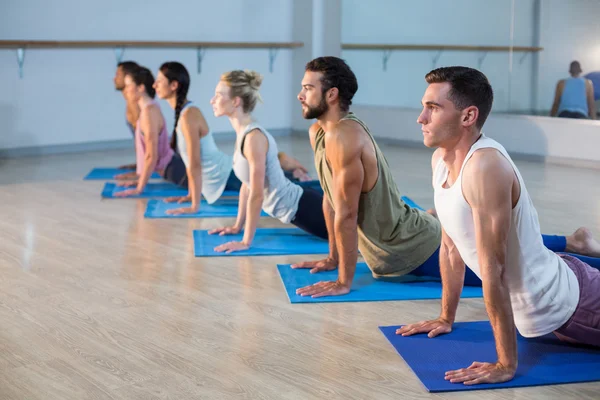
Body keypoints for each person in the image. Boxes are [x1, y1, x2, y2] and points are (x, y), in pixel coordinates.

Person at [292, 57, 600, 299]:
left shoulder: (345, 137)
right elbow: (332, 202)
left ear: (331, 94)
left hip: (413, 249)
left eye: (308, 88)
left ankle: (576, 246)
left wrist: (343, 282)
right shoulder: (319, 131)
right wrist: (333, 258)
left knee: (524, 266)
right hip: (402, 237)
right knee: (492, 244)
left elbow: (347, 214)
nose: (300, 95)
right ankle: (573, 240)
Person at [398, 66, 600, 386]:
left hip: (576, 303)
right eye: (424, 106)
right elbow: (451, 248)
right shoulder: (441, 160)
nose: (421, 118)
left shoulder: (485, 165)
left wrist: (505, 364)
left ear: (468, 116)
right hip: (561, 276)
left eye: (433, 108)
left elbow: (495, 270)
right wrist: (445, 317)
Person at [208, 69, 327, 253]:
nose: (212, 100)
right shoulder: (243, 134)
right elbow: (247, 185)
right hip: (300, 207)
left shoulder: (253, 138)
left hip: (305, 208)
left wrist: (245, 242)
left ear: (236, 101)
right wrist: (237, 226)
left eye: (218, 95)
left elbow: (257, 194)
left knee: (359, 235)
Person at [114, 66, 187, 197]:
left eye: (128, 85)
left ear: (141, 88)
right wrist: (139, 179)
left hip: (177, 171)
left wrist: (139, 188)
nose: (125, 90)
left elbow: (151, 156)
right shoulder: (148, 109)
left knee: (233, 183)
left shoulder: (149, 113)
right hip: (174, 170)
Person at [113, 61, 141, 174]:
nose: (114, 79)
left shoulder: (136, 103)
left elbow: (149, 141)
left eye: (118, 75)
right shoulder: (129, 101)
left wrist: (142, 171)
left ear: (128, 77)